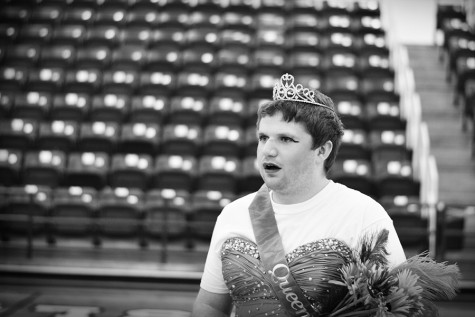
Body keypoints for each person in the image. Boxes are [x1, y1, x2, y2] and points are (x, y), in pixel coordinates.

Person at [191, 73, 407, 317]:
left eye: (286, 139)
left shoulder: (364, 214)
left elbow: (403, 307)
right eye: (263, 138)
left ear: (322, 150)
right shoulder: (233, 214)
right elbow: (209, 306)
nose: (268, 151)